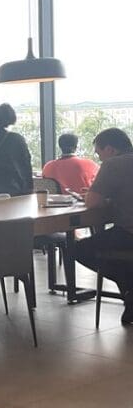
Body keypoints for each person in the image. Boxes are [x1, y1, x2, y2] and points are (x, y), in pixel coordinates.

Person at [72, 128, 133, 324]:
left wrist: (96, 196)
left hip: (128, 233)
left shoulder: (113, 164)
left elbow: (91, 202)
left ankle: (128, 288)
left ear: (110, 149)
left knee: (78, 249)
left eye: (99, 153)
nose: (99, 158)